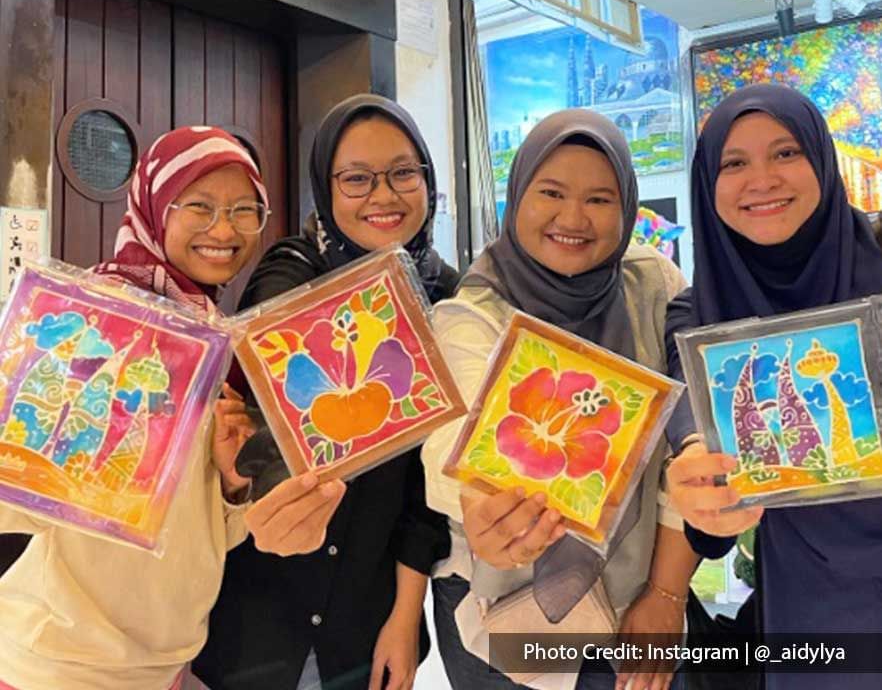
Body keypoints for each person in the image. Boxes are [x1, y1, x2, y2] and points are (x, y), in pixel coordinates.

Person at [421, 110, 698, 690]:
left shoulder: (652, 285)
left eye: (600, 199)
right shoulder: (471, 313)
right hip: (500, 602)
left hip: (638, 600)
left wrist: (667, 593)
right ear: (517, 193)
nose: (573, 218)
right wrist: (478, 501)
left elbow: (685, 446)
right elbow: (455, 442)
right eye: (550, 192)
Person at [194, 94, 458, 690]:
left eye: (402, 173)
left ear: (428, 179)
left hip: (368, 622)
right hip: (261, 618)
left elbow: (428, 489)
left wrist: (403, 617)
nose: (383, 196)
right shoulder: (292, 277)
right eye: (357, 179)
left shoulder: (447, 297)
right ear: (327, 188)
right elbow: (254, 449)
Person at [0, 126, 268, 690]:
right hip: (59, 664)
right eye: (199, 205)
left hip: (164, 664)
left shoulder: (218, 339)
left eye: (246, 209)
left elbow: (204, 536)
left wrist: (229, 483)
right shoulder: (94, 325)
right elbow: (14, 495)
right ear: (152, 207)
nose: (225, 228)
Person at [664, 84, 882, 690]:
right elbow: (694, 432)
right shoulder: (698, 315)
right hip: (818, 605)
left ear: (821, 158)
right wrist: (696, 480)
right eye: (733, 163)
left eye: (786, 153)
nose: (761, 179)